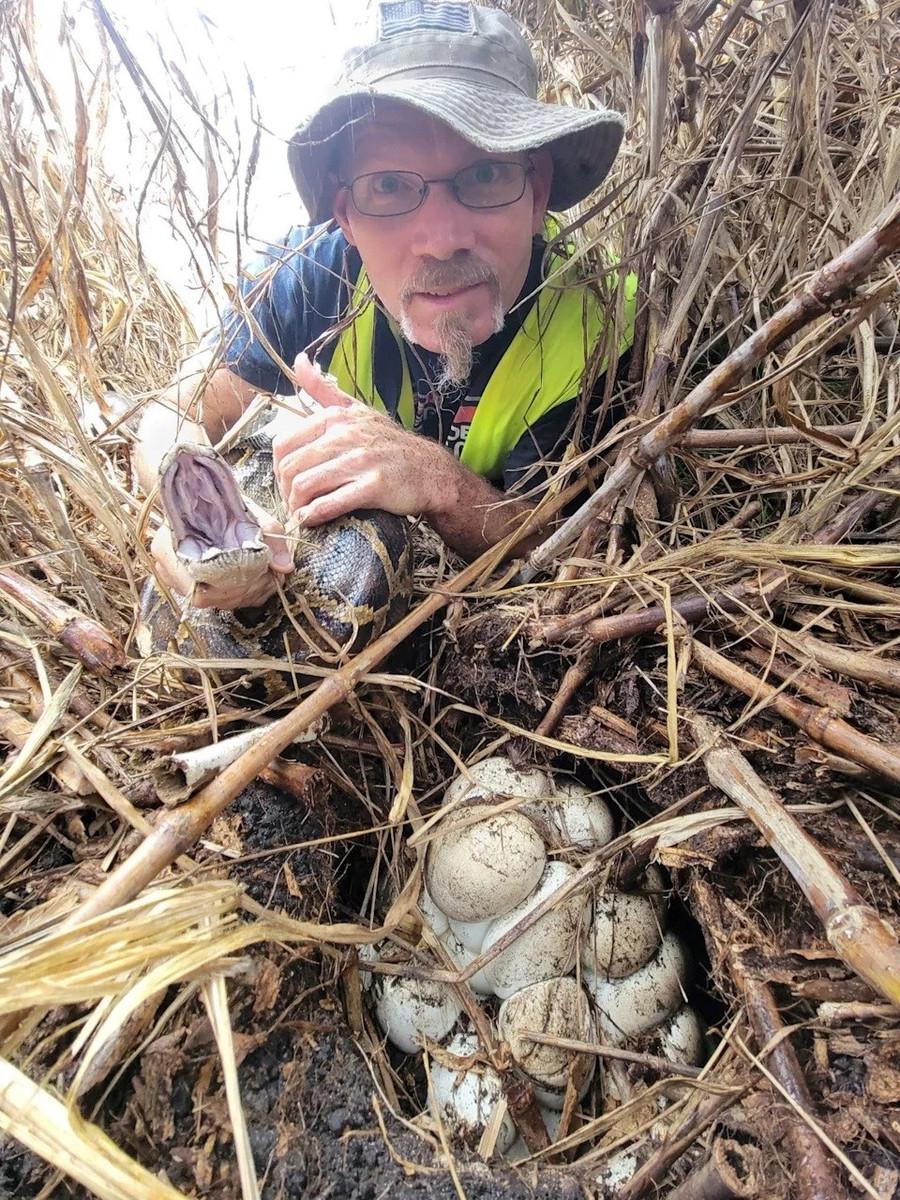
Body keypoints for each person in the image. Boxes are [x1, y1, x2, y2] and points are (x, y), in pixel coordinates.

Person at [135, 1, 634, 610]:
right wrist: (190, 515)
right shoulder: (314, 272)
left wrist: (441, 486)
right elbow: (172, 413)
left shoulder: (598, 321)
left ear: (539, 194)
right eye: (389, 188)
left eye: (483, 176)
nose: (442, 239)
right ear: (344, 217)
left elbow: (577, 554)